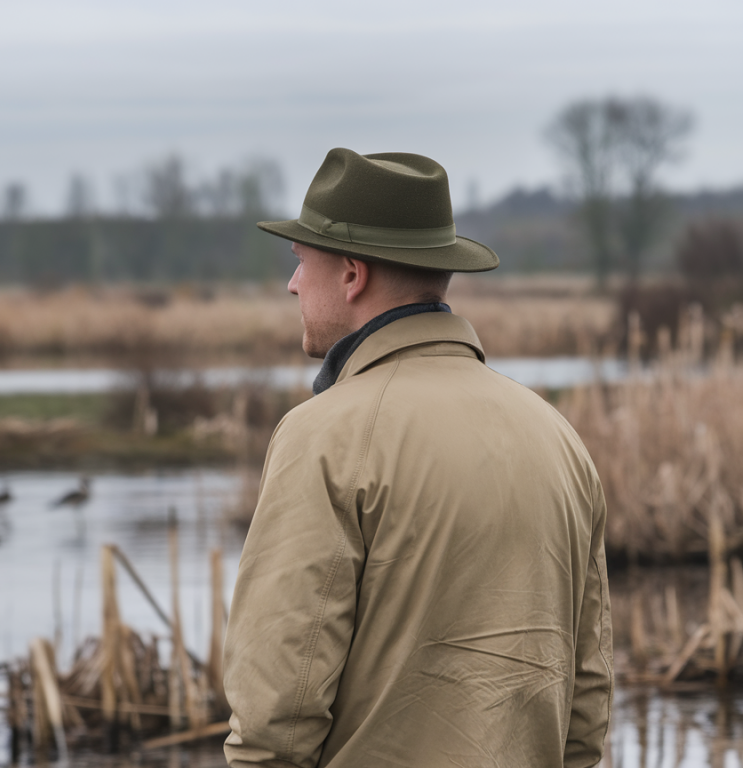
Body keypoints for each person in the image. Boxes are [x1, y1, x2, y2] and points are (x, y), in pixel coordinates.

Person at [222, 148, 612, 767]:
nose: (292, 283)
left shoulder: (322, 437)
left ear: (352, 274)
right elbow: (586, 706)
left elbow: (276, 718)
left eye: (302, 263)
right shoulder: (557, 437)